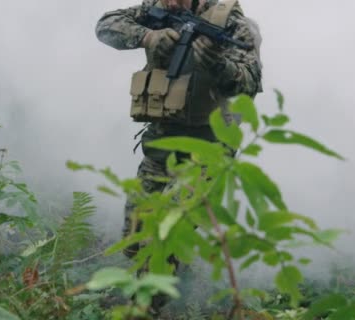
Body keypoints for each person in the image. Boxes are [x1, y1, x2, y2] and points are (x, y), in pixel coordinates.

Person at [95, 0, 262, 313]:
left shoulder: (234, 25)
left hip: (210, 150)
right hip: (163, 141)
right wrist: (148, 37)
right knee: (135, 237)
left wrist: (216, 64)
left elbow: (248, 84)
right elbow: (105, 27)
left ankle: (144, 309)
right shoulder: (155, 9)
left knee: (165, 237)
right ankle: (161, 286)